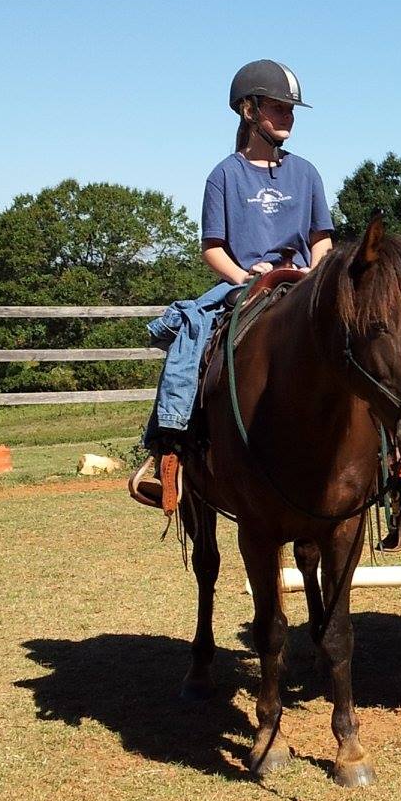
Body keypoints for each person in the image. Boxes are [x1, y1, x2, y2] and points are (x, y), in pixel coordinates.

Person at [134, 60, 333, 504]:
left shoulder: (307, 172)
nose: (289, 116)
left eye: (291, 109)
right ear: (249, 110)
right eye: (279, 108)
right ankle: (171, 451)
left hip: (302, 285)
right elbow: (212, 248)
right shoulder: (223, 175)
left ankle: (393, 466)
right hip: (245, 286)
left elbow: (323, 239)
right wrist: (245, 275)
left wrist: (312, 273)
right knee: (192, 340)